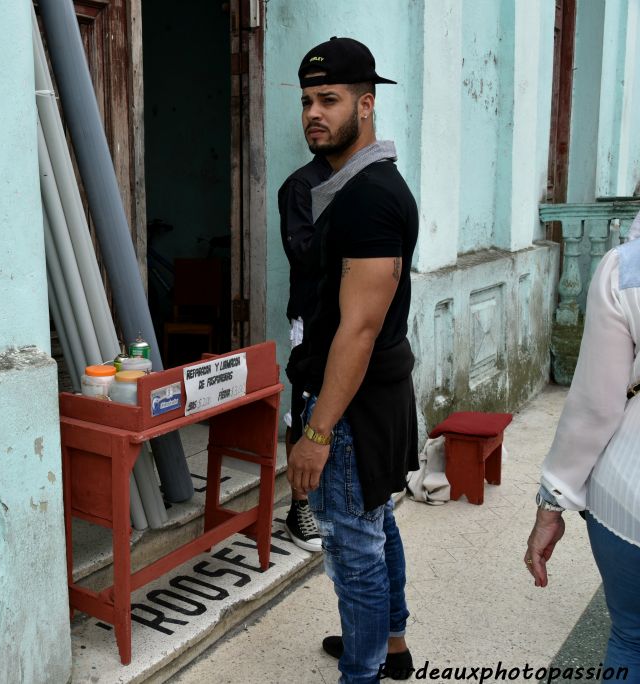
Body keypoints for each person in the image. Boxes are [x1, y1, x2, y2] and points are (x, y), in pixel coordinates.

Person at [285, 37, 419, 683]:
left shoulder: (367, 197)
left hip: (352, 402)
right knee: (376, 519)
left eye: (329, 99)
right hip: (378, 391)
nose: (313, 112)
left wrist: (316, 432)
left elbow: (358, 330)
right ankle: (391, 647)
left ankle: (362, 673)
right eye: (308, 99)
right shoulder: (359, 187)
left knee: (352, 543)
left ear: (366, 106)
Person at [524, 212, 640, 682]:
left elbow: (595, 407)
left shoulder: (625, 269)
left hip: (629, 500)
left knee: (631, 639)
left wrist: (552, 503)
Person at [278, 154, 332, 552]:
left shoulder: (360, 178)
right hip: (311, 317)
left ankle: (328, 495)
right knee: (303, 406)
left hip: (350, 318)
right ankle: (299, 508)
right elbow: (305, 254)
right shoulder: (302, 186)